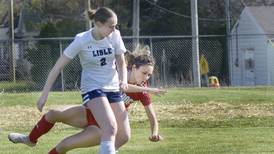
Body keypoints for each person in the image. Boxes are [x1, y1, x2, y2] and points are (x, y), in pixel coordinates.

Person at [10, 7, 129, 154]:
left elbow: (121, 62)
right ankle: (30, 139)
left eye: (116, 25)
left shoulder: (115, 35)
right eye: (111, 26)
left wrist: (123, 80)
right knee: (110, 128)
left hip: (113, 88)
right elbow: (56, 68)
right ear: (98, 24)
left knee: (123, 136)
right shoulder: (82, 40)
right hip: (93, 88)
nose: (114, 29)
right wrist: (44, 95)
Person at [8, 45, 165, 154]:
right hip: (88, 113)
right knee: (53, 113)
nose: (146, 78)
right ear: (132, 67)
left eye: (149, 75)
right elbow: (123, 86)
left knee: (63, 146)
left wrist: (155, 133)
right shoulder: (116, 72)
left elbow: (152, 116)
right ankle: (30, 139)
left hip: (101, 127)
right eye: (144, 73)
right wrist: (148, 89)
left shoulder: (142, 90)